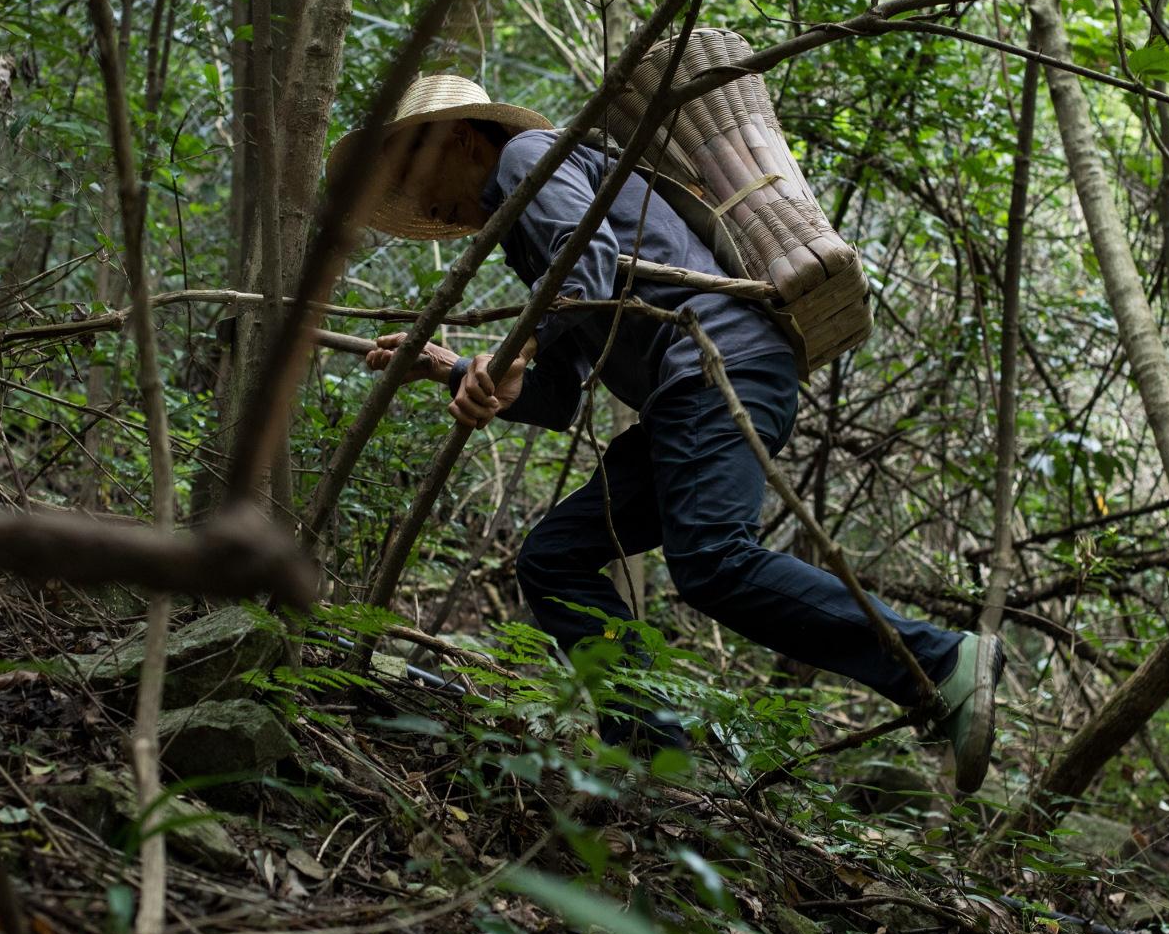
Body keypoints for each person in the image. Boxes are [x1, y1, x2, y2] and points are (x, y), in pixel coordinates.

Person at [327, 74, 1003, 791]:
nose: (425, 205)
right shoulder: (526, 229)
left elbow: (584, 269)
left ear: (462, 138)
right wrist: (454, 367)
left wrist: (511, 352)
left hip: (719, 366)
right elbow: (556, 388)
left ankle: (939, 661)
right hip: (690, 393)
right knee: (554, 560)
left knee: (712, 559)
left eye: (412, 173)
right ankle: (653, 746)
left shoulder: (531, 156)